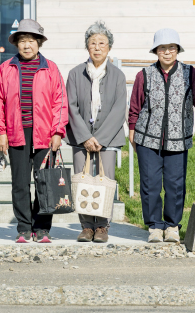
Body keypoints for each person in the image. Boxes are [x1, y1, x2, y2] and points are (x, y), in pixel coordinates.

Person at [0, 19, 69, 244]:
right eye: (22, 41)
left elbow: (60, 101)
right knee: (20, 183)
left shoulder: (50, 68)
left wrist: (58, 132)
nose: (27, 45)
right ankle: (24, 228)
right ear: (16, 44)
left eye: (31, 41)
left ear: (38, 43)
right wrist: (1, 131)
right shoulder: (5, 68)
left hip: (45, 134)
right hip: (17, 132)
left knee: (44, 181)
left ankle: (43, 228)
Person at [129, 28, 195, 244]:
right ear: (156, 51)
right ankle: (154, 226)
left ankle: (172, 226)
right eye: (162, 48)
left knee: (175, 184)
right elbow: (135, 106)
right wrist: (132, 133)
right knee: (150, 184)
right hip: (147, 139)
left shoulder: (190, 73)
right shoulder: (144, 74)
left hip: (179, 139)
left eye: (171, 48)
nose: (167, 52)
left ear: (177, 50)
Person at [66, 20, 127, 244]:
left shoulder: (118, 76)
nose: (98, 47)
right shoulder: (74, 74)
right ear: (87, 47)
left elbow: (120, 109)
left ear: (109, 47)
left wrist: (99, 139)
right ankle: (85, 226)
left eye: (102, 43)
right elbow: (71, 107)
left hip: (107, 139)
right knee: (82, 181)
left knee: (105, 180)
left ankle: (101, 226)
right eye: (93, 43)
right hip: (80, 138)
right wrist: (85, 137)